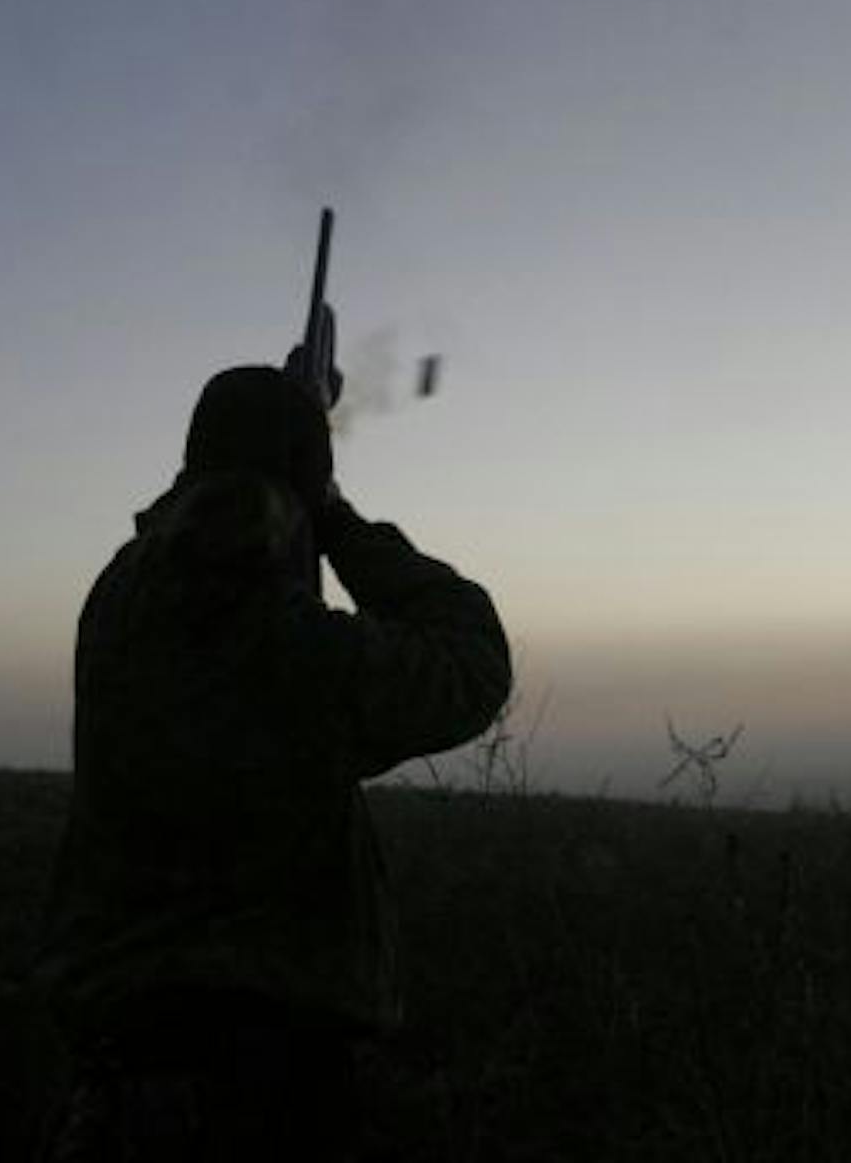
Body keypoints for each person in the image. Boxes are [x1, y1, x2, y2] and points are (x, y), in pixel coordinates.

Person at [36, 364, 512, 1161]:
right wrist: (332, 515)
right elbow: (472, 660)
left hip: (111, 1061)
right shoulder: (292, 648)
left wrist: (285, 441)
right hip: (264, 1082)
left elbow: (209, 530)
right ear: (300, 486)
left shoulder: (116, 599)